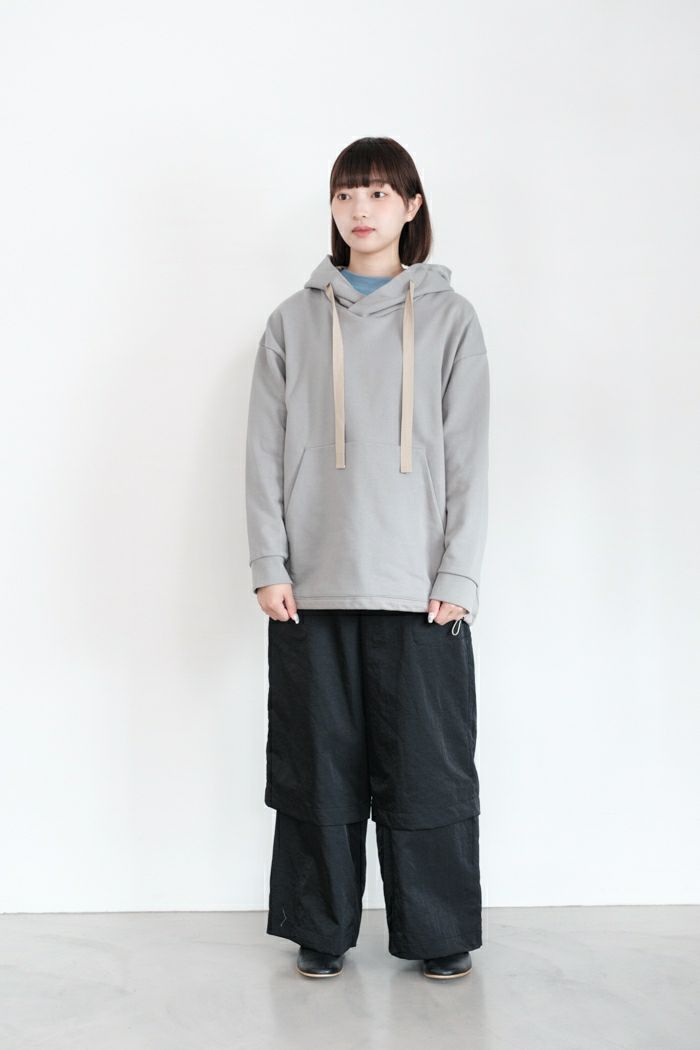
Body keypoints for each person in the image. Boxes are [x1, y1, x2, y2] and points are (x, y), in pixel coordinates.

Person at [244, 136, 490, 980]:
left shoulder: (452, 320)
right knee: (317, 768)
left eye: (380, 193)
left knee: (429, 770)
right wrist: (268, 562)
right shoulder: (292, 321)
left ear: (411, 207)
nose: (361, 208)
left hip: (421, 591)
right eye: (348, 192)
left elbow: (469, 455)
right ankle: (320, 926)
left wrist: (459, 572)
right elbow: (262, 453)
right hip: (312, 588)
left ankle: (438, 931)